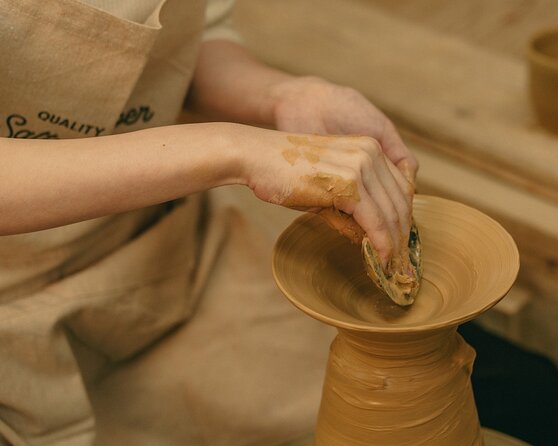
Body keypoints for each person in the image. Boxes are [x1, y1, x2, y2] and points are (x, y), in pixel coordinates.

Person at [0, 0, 417, 444]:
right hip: (13, 291)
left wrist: (284, 94)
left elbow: (180, 44)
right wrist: (231, 150)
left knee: (373, 395)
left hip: (155, 237)